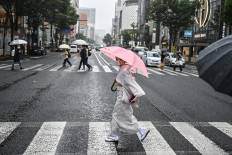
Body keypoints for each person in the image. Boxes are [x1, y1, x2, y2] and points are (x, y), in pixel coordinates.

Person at [105, 57, 150, 142]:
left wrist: (137, 95)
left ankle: (114, 135)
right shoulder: (124, 69)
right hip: (122, 95)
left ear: (124, 60)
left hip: (122, 96)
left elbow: (132, 83)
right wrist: (117, 80)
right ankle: (140, 129)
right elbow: (126, 81)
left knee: (116, 114)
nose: (117, 61)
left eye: (118, 59)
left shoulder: (124, 71)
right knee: (127, 116)